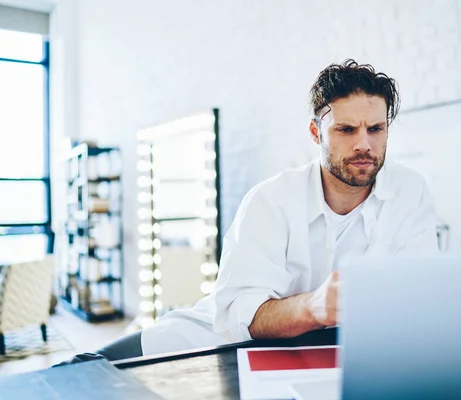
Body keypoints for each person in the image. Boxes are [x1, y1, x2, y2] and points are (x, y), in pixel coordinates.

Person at [55, 59, 439, 366]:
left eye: (376, 128)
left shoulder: (411, 192)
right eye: (346, 129)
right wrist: (315, 307)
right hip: (216, 343)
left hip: (346, 355)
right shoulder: (269, 201)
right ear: (315, 132)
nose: (364, 144)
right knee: (78, 373)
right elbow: (245, 315)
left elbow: (421, 296)